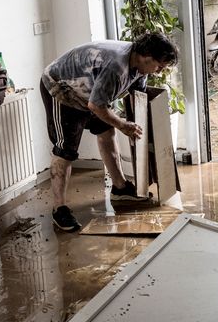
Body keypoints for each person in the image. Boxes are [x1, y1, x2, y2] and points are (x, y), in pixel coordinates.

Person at [40, 32, 179, 232]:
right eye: (159, 66)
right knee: (65, 150)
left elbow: (136, 96)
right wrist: (122, 125)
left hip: (90, 91)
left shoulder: (140, 67)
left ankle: (120, 187)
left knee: (106, 132)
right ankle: (59, 208)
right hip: (61, 89)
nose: (160, 71)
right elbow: (96, 106)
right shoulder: (116, 67)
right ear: (146, 57)